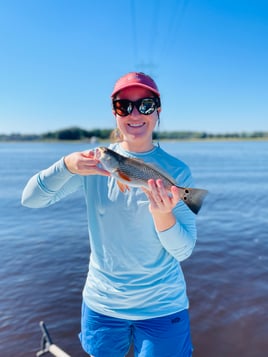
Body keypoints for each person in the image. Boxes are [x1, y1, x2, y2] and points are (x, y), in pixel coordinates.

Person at [22, 72, 196, 357]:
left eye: (146, 105)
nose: (135, 113)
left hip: (163, 306)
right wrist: (66, 164)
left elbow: (184, 250)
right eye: (124, 106)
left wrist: (163, 214)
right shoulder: (91, 166)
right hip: (102, 305)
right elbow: (30, 200)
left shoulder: (176, 171)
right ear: (114, 112)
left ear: (158, 109)